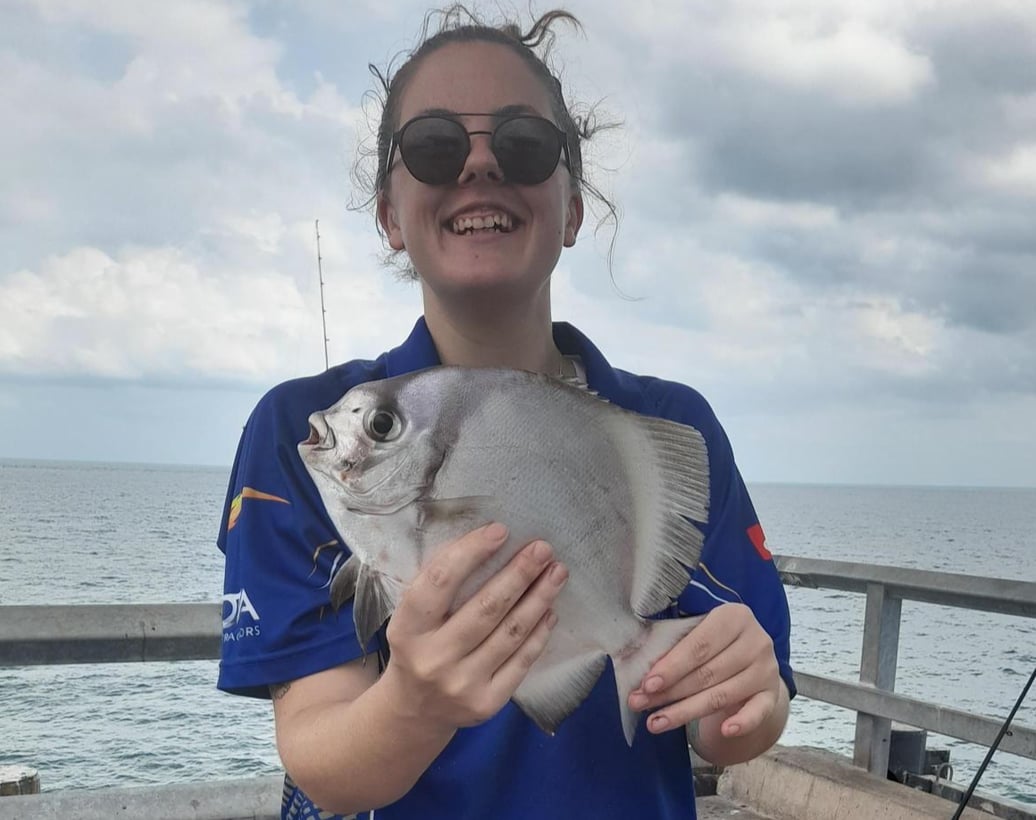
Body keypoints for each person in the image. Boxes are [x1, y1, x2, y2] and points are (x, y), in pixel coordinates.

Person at [217, 6, 794, 819]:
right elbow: (326, 768)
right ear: (389, 212)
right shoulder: (297, 430)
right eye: (435, 145)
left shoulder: (670, 426)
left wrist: (752, 697)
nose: (479, 165)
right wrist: (415, 699)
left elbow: (728, 726)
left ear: (572, 208)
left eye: (523, 145)